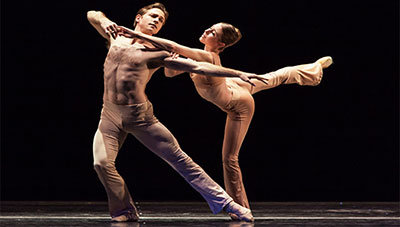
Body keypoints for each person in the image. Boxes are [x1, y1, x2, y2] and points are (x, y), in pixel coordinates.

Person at [117, 22, 333, 218]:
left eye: (212, 32)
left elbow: (173, 45)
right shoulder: (199, 56)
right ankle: (313, 69)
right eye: (209, 27)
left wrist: (135, 33)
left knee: (230, 159)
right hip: (234, 85)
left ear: (219, 43)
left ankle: (240, 207)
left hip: (239, 103)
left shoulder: (208, 57)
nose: (206, 30)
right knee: (275, 76)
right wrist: (173, 63)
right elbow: (170, 74)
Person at [87, 2, 268, 223]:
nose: (156, 21)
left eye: (161, 20)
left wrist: (237, 73)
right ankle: (124, 209)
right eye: (153, 16)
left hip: (140, 117)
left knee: (181, 161)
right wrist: (105, 21)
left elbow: (200, 67)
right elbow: (92, 13)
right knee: (101, 164)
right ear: (138, 18)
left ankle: (229, 204)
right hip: (109, 115)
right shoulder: (116, 37)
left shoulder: (158, 52)